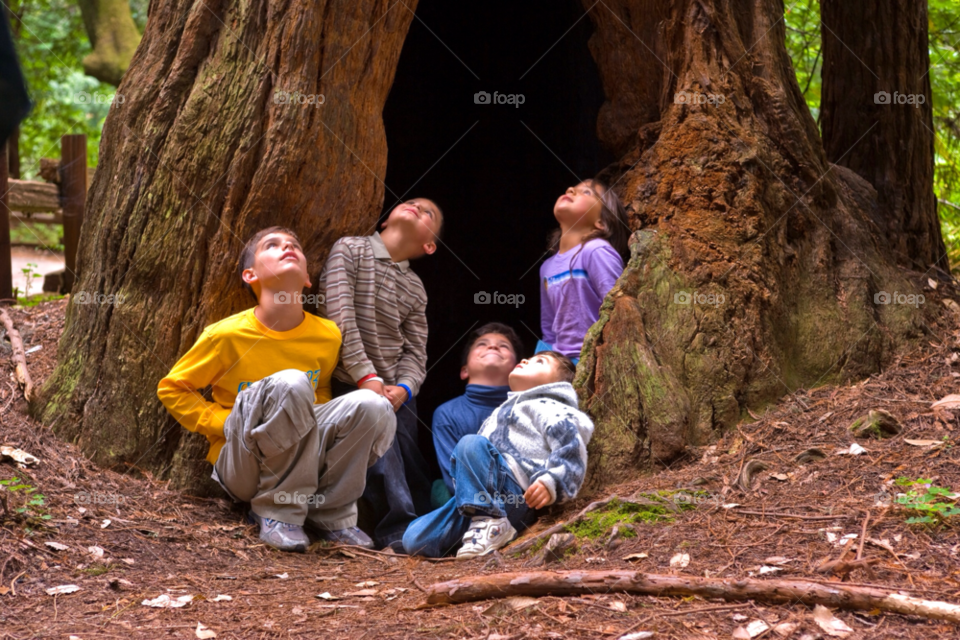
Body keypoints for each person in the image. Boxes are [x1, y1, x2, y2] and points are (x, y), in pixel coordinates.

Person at [157, 227, 396, 552]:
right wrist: (222, 423)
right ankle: (276, 512)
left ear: (308, 279)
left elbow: (321, 392)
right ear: (250, 274)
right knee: (292, 381)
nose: (287, 247)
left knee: (372, 404)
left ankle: (331, 515)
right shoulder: (226, 336)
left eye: (294, 245)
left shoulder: (327, 335)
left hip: (305, 461)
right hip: (243, 464)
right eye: (272, 245)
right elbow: (173, 388)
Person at [319, 198, 442, 551]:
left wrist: (405, 387)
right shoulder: (351, 249)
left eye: (428, 213)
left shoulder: (416, 288)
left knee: (410, 463)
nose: (418, 207)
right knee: (381, 459)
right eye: (412, 202)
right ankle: (396, 535)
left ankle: (427, 533)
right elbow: (338, 315)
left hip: (397, 393)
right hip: (352, 381)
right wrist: (366, 378)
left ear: (429, 245)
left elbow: (416, 350)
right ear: (386, 219)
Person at [403, 351, 594, 559]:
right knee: (413, 538)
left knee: (470, 443)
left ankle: (492, 522)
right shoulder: (500, 412)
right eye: (527, 358)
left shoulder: (553, 408)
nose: (524, 360)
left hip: (515, 495)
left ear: (558, 385)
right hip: (475, 500)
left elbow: (571, 450)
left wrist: (552, 482)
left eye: (540, 362)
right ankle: (480, 530)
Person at [431, 322, 523, 506]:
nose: (493, 346)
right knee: (438, 490)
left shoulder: (526, 408)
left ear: (517, 369)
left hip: (519, 500)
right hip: (470, 503)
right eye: (482, 344)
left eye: (504, 346)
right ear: (464, 370)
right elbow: (454, 478)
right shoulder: (447, 414)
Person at [538, 179, 629, 364]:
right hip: (559, 363)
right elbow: (549, 328)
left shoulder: (595, 251)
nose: (570, 189)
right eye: (572, 188)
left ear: (601, 222)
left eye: (587, 192)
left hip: (592, 361)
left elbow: (619, 311)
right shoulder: (546, 267)